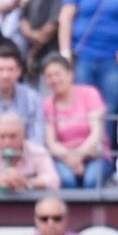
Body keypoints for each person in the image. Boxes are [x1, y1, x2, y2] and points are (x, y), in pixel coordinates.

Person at [56, 0, 118, 125]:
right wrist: (65, 52)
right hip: (84, 57)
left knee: (109, 109)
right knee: (82, 107)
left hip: (116, 59)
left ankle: (105, 145)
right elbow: (65, 18)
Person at [40, 53, 110, 189]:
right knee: (67, 180)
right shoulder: (47, 104)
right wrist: (70, 159)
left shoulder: (90, 93)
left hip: (95, 155)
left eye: (57, 74)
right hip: (64, 158)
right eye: (49, 76)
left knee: (91, 180)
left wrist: (79, 157)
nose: (54, 79)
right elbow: (51, 143)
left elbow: (97, 134)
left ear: (70, 74)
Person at [0, 111, 60, 191]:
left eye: (13, 136)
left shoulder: (38, 151)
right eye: (2, 137)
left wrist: (27, 182)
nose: (7, 142)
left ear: (23, 135)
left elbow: (53, 181)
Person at [8, 196, 105, 235]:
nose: (51, 223)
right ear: (36, 220)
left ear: (66, 219)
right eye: (44, 219)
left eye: (57, 218)